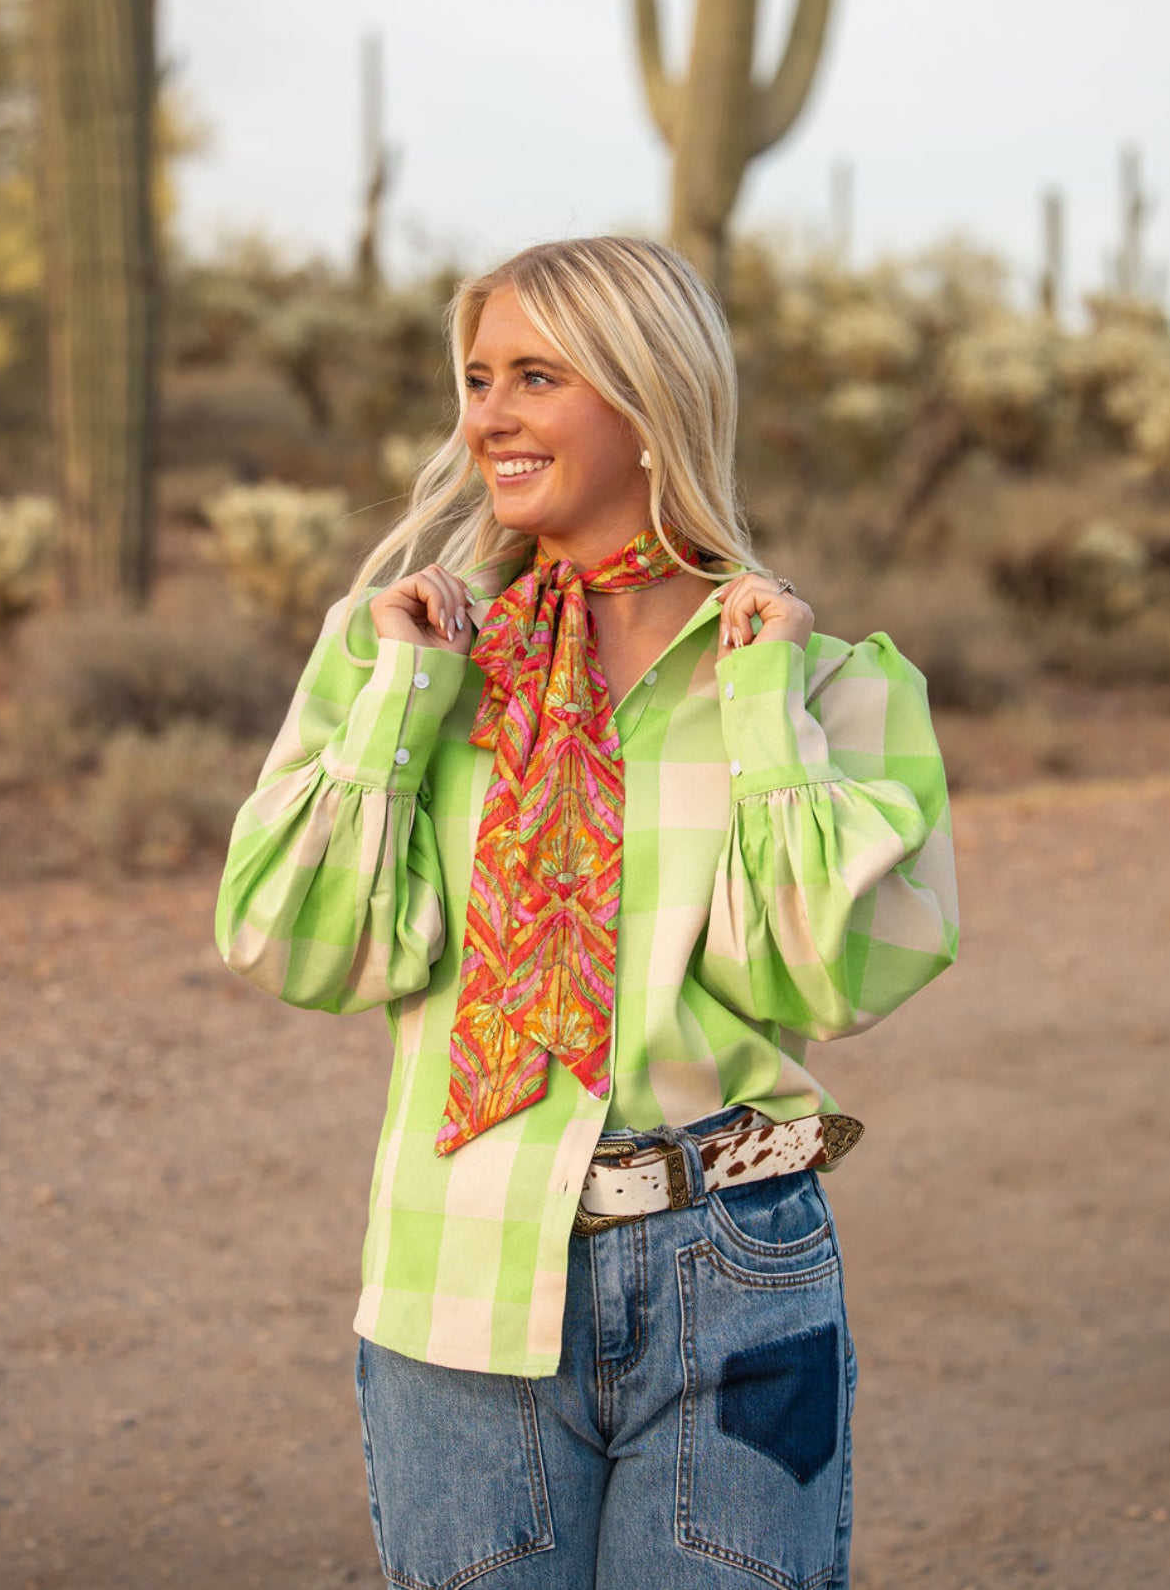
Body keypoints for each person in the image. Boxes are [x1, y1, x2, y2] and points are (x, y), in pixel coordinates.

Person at [215, 235, 959, 1589]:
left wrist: (765, 720)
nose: (487, 414)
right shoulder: (400, 659)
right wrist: (400, 704)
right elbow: (294, 943)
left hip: (735, 1265)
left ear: (649, 396)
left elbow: (834, 979)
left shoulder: (829, 685)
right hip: (457, 1252)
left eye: (537, 377)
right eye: (479, 376)